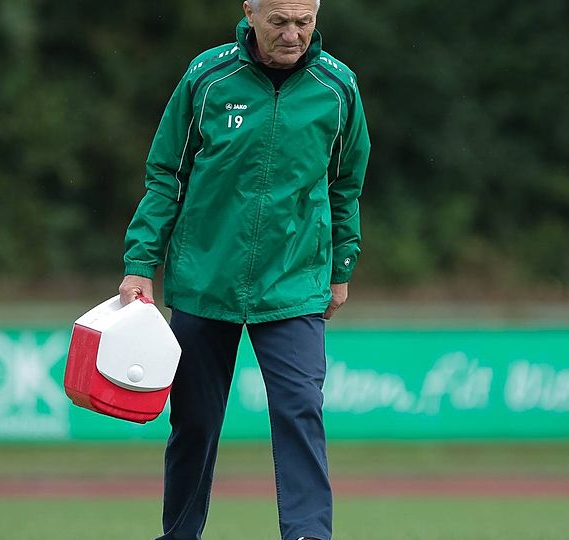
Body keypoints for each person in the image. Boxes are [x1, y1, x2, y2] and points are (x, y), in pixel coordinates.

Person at [118, 0, 370, 538]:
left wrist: (342, 264)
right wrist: (140, 262)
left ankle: (307, 534)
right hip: (204, 280)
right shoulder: (207, 77)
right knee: (195, 423)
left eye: (304, 22)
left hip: (295, 281)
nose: (293, 34)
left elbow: (346, 184)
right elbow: (166, 175)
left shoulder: (338, 87)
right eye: (279, 21)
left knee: (301, 409)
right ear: (250, 12)